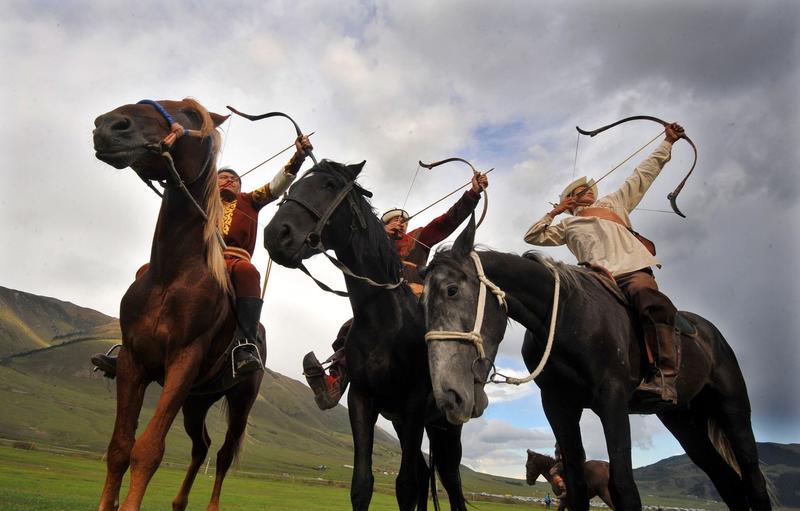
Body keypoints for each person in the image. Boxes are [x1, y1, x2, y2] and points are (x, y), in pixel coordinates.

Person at [91, 134, 313, 378]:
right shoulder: (200, 201)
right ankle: (129, 349)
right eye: (224, 177)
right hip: (194, 260)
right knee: (145, 271)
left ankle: (245, 345)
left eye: (235, 180)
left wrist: (298, 157)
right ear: (213, 182)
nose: (230, 182)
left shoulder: (250, 200)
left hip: (232, 260)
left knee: (248, 272)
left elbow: (275, 186)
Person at [523, 123, 684, 403]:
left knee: (650, 299)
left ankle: (664, 377)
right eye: (577, 191)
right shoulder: (567, 224)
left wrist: (667, 142)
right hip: (596, 278)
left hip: (631, 271)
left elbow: (642, 174)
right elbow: (533, 236)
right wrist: (556, 212)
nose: (585, 189)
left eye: (587, 188)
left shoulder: (614, 203)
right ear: (569, 202)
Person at [303, 171, 490, 409]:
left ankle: (467, 381)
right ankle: (335, 382)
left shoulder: (418, 238)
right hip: (382, 309)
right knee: (350, 328)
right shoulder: (371, 246)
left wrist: (473, 193)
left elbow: (446, 221)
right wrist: (381, 238)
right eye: (393, 221)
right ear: (381, 225)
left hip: (419, 304)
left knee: (448, 331)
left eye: (403, 222)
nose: (400, 224)